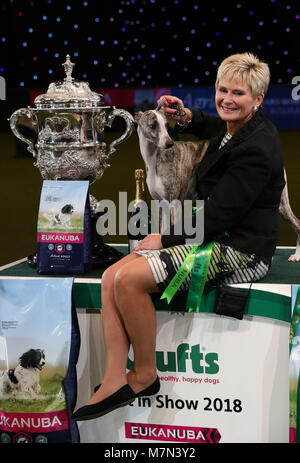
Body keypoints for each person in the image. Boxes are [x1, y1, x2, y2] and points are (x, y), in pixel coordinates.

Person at [72, 52, 285, 421]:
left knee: (129, 281)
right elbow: (210, 124)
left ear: (259, 99)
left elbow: (221, 215)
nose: (228, 99)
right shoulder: (234, 127)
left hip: (240, 249)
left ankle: (144, 374)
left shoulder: (258, 146)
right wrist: (183, 115)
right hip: (210, 234)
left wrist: (165, 239)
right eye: (222, 90)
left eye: (239, 93)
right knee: (110, 277)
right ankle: (112, 378)